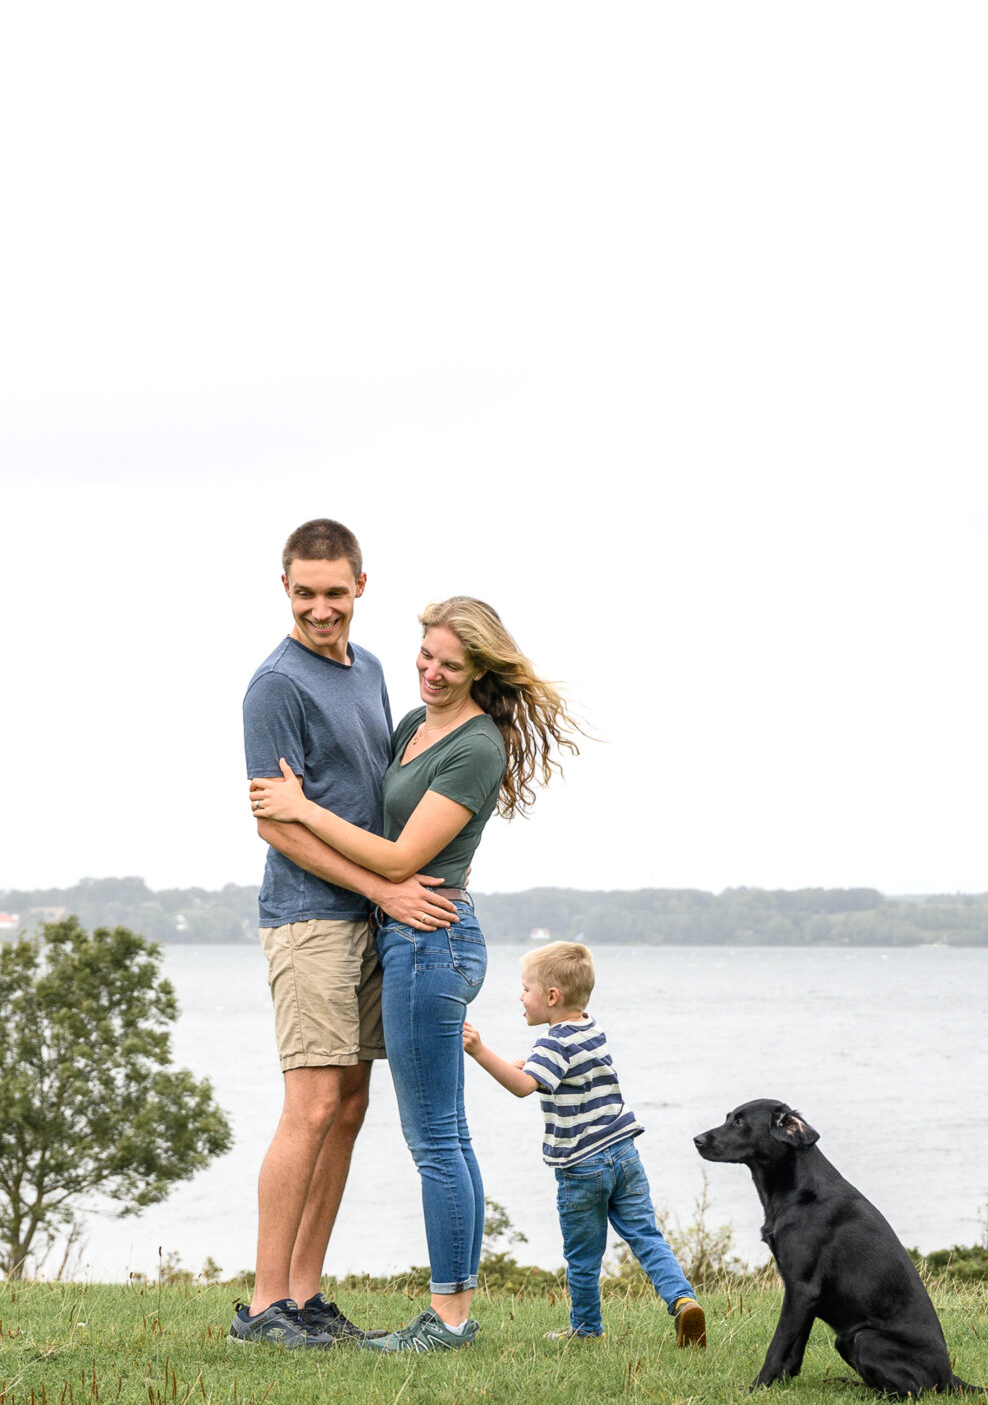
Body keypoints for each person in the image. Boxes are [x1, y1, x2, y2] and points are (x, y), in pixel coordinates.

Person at [251, 597, 577, 1353]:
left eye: (451, 666)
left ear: (480, 672)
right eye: (425, 656)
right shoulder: (412, 727)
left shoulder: (475, 746)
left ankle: (449, 1319)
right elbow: (381, 829)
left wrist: (298, 804)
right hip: (403, 939)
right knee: (439, 1134)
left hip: (430, 939)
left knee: (436, 1137)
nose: (430, 673)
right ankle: (447, 1312)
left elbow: (399, 860)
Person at [235, 517, 461, 1350]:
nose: (320, 609)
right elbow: (276, 825)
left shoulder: (368, 669)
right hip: (309, 919)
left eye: (335, 593)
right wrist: (383, 887)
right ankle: (262, 1309)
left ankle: (303, 1296)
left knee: (352, 1103)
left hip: (372, 917)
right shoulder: (275, 686)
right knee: (312, 1103)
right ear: (284, 588)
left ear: (360, 587)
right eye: (305, 594)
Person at [462, 939, 708, 1345]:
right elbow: (554, 1072)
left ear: (552, 996)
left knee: (583, 1257)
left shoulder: (552, 1042)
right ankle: (683, 1301)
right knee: (646, 1236)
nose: (520, 996)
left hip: (582, 1166)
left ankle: (587, 1330)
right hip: (624, 1153)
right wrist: (516, 1064)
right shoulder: (591, 1028)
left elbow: (525, 1086)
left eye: (526, 989)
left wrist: (479, 1051)